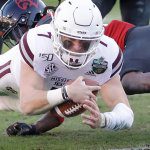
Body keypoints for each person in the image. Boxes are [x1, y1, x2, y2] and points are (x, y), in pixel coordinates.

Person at [0, 0, 134, 136]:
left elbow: (126, 115)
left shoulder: (107, 52)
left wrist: (104, 120)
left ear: (97, 39)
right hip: (10, 77)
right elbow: (28, 105)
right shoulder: (38, 41)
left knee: (86, 87)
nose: (76, 49)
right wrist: (67, 92)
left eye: (84, 42)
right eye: (69, 40)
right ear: (56, 33)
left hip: (47, 89)